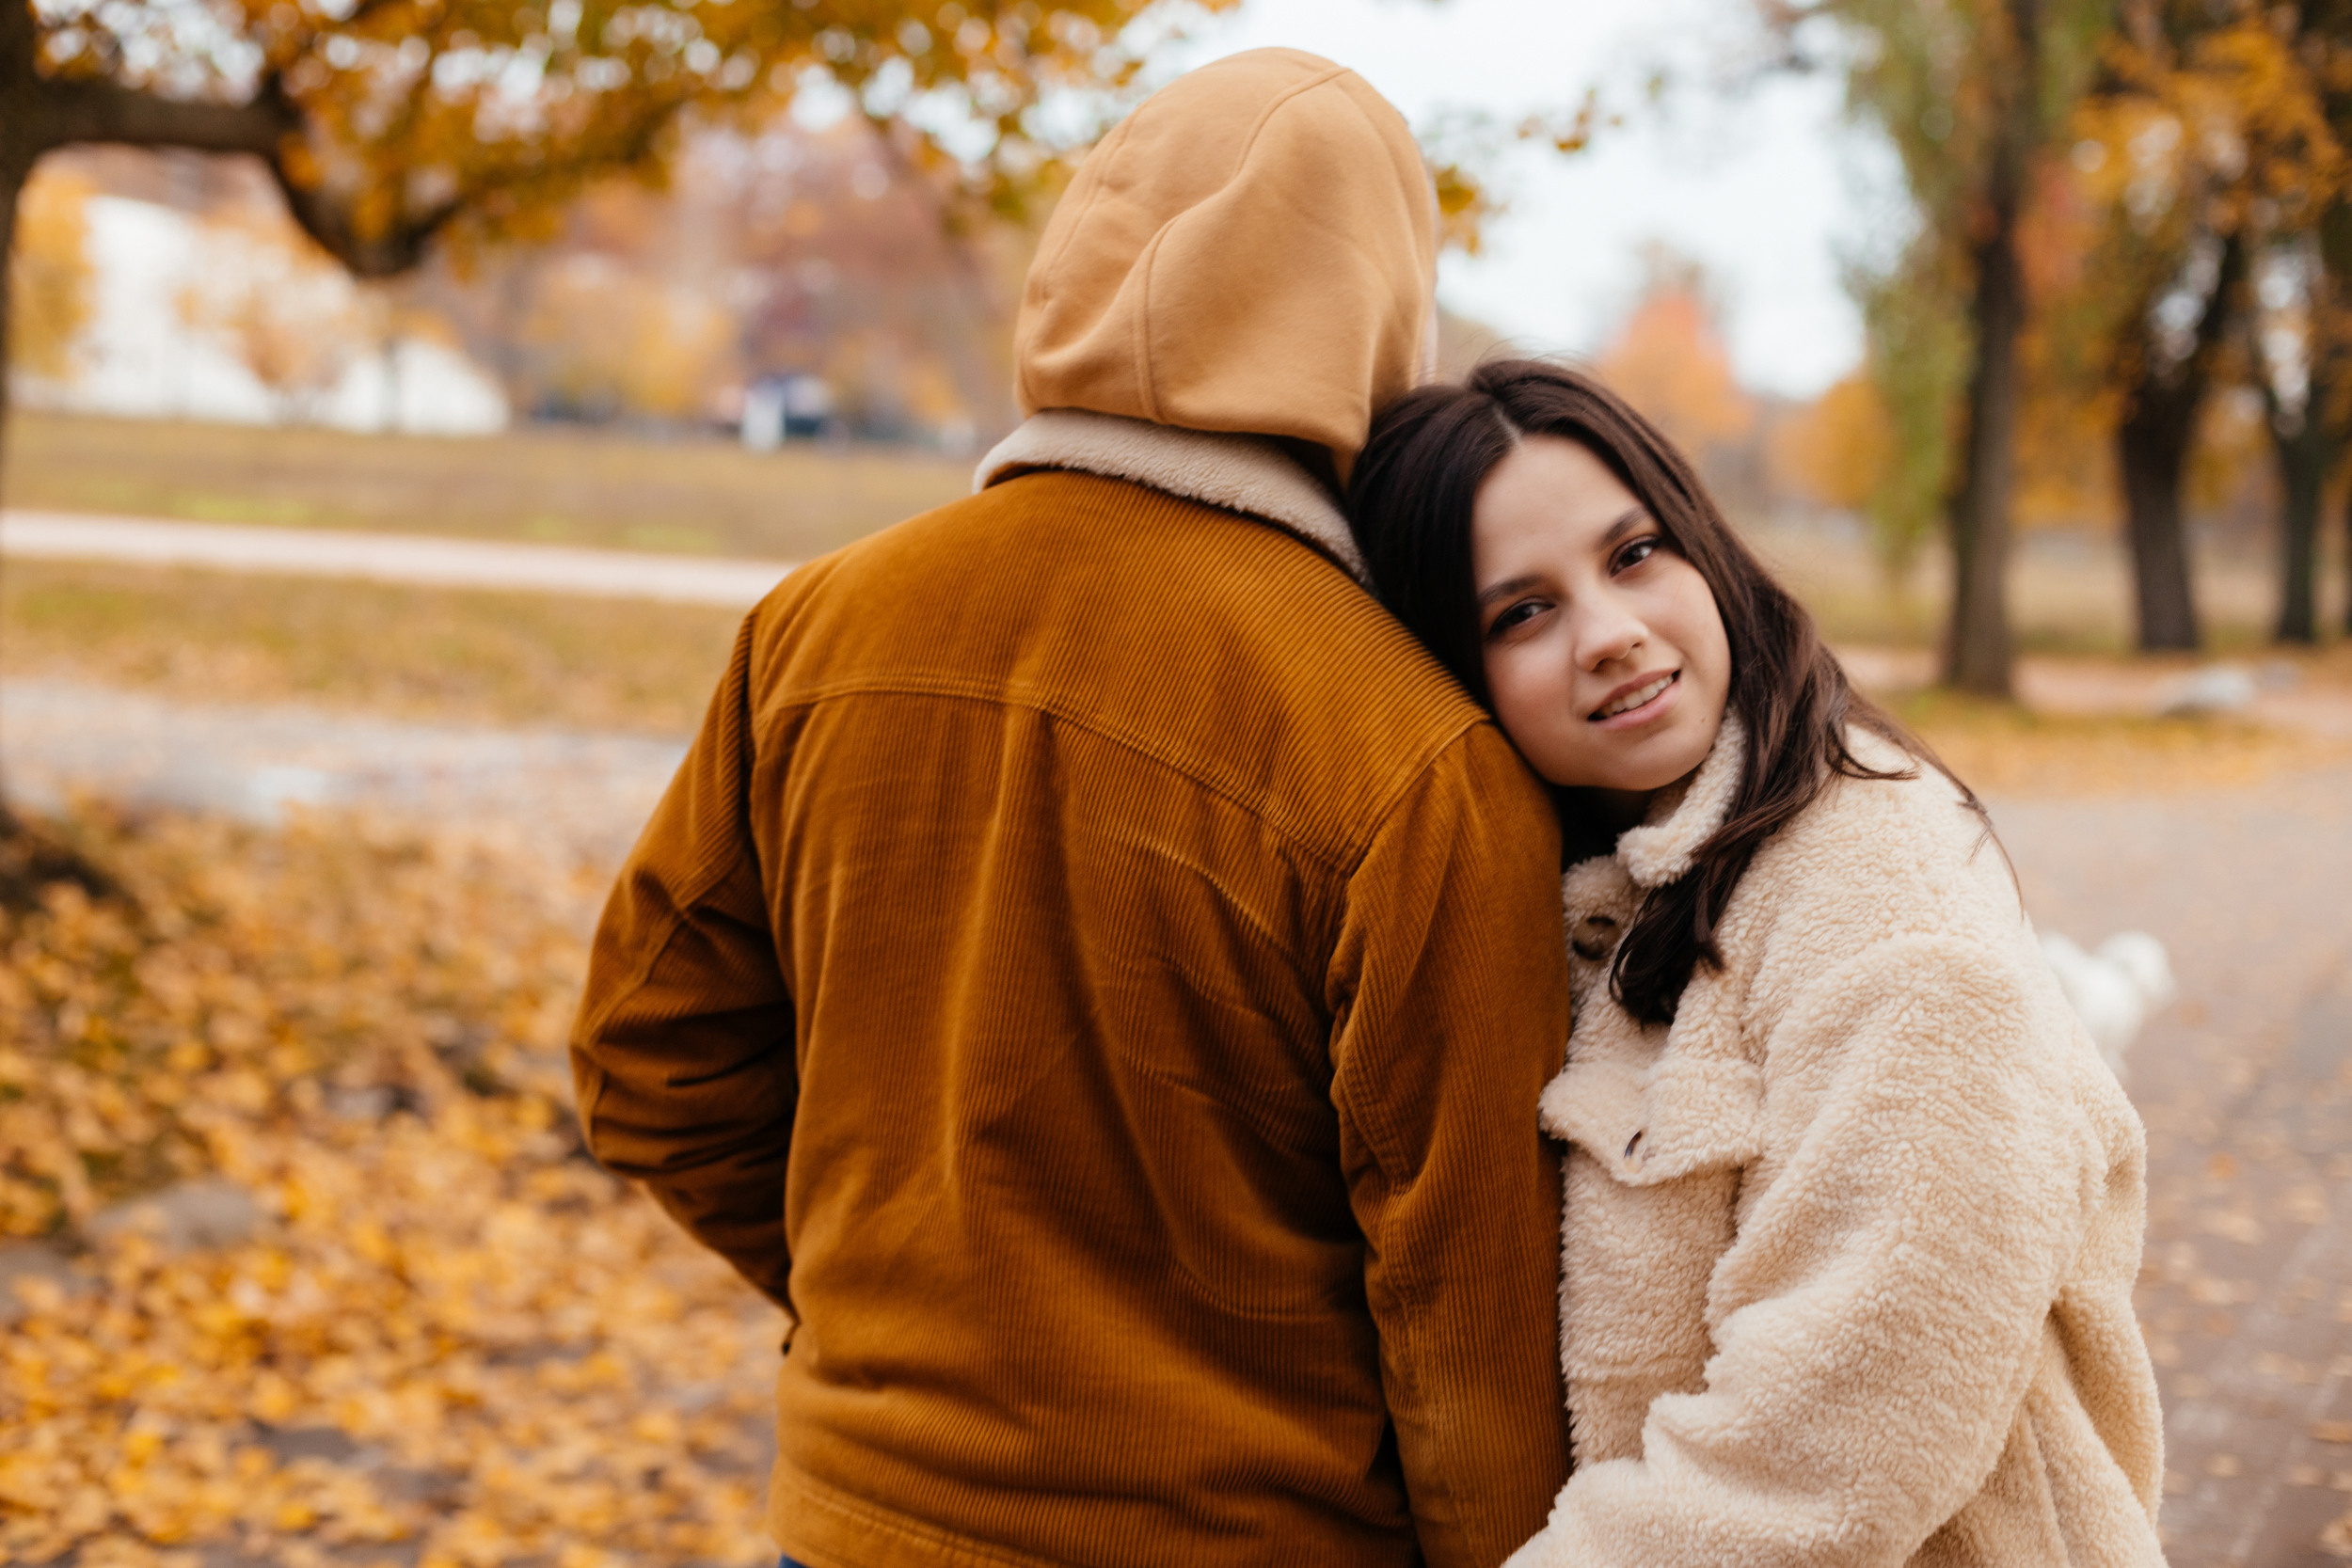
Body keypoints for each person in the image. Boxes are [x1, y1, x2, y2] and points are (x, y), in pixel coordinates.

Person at [569, 52, 1574, 1568]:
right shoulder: (1413, 755)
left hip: (862, 1522)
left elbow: (646, 1050)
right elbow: (1468, 1320)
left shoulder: (816, 627)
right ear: (1379, 320)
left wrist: (883, 1304)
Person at [1346, 359, 2166, 1566]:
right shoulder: (1620, 889)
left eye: (1632, 556)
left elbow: (1832, 1437)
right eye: (1522, 612)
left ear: (1700, 545)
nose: (1611, 634)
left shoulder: (1884, 894)